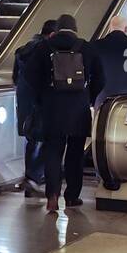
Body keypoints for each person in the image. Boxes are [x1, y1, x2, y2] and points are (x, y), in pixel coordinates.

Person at [33, 12, 101, 213]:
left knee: (53, 152)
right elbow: (101, 78)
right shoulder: (86, 48)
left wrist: (42, 98)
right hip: (78, 110)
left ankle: (52, 195)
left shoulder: (44, 47)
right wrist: (89, 97)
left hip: (52, 109)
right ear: (75, 28)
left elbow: (30, 77)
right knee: (74, 154)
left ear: (56, 29)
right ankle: (72, 196)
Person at [12, 18, 56, 196]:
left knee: (32, 140)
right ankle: (34, 177)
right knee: (50, 140)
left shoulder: (21, 50)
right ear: (52, 34)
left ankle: (31, 178)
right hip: (41, 102)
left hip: (24, 102)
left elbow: (15, 78)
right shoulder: (46, 51)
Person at [90, 16, 127, 111]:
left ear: (110, 28)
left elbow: (91, 75)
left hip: (102, 100)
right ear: (126, 29)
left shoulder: (95, 46)